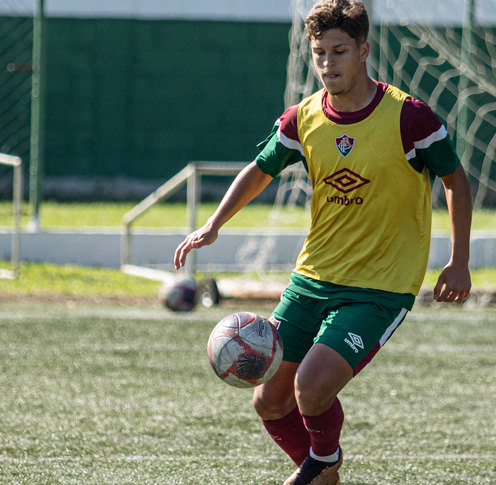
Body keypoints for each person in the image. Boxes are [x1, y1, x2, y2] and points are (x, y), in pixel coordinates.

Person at [173, 1, 472, 483]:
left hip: (378, 289)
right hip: (312, 279)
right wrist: (214, 224)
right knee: (269, 400)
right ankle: (323, 473)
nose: (328, 63)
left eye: (339, 51)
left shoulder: (409, 118)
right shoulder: (304, 118)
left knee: (311, 389)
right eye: (319, 53)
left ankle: (323, 462)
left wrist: (459, 261)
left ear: (363, 51)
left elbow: (455, 180)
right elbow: (261, 170)